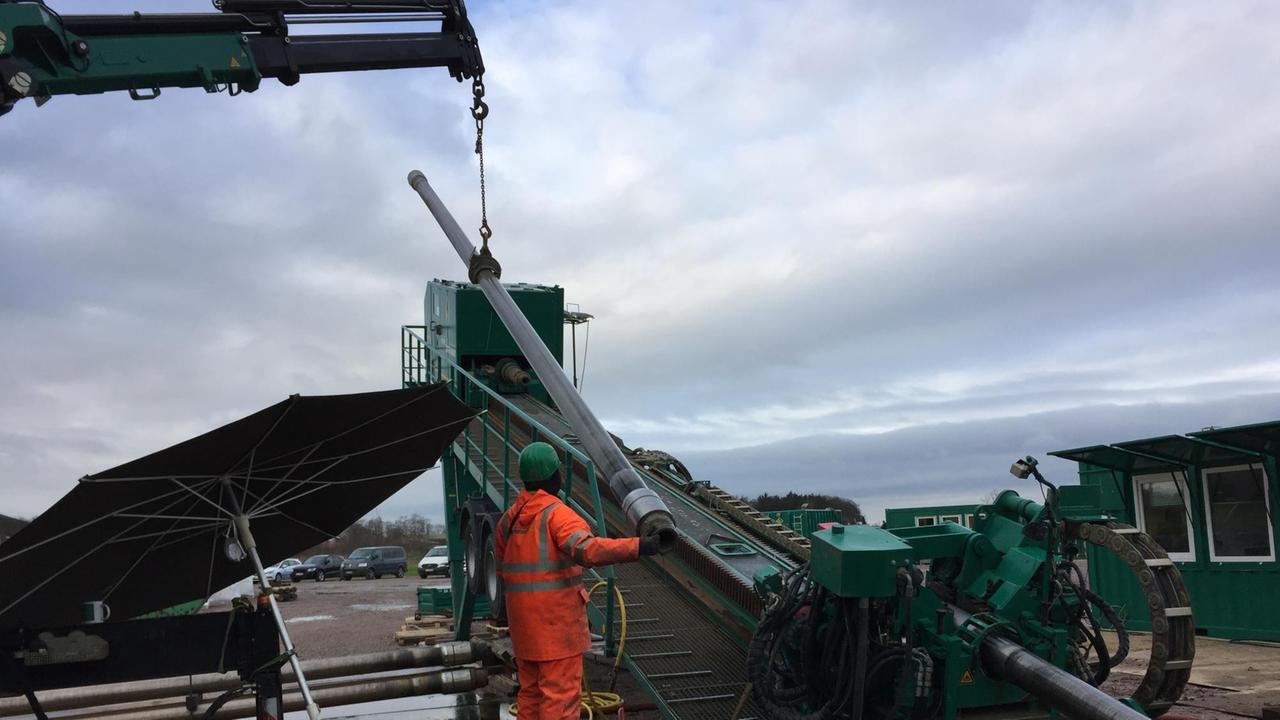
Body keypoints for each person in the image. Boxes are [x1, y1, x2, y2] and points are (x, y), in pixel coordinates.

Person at [495, 442, 665, 719]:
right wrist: (639, 546)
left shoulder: (508, 521)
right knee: (559, 700)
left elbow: (505, 570)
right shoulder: (557, 515)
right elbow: (588, 550)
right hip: (556, 629)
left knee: (531, 695)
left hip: (525, 631)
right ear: (553, 476)